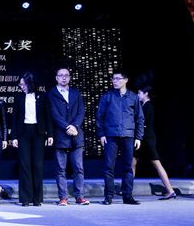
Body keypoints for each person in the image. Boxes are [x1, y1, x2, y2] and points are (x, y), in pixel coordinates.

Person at [96, 71, 144, 205]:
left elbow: (139, 118)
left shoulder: (133, 97)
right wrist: (101, 134)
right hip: (110, 136)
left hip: (128, 136)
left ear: (126, 80)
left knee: (128, 167)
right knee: (108, 167)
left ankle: (127, 196)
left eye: (118, 79)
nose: (115, 81)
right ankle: (108, 197)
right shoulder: (107, 96)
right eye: (113, 79)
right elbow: (99, 117)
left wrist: (138, 137)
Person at [48, 67, 89, 206]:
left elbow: (81, 112)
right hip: (60, 134)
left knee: (78, 168)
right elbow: (54, 114)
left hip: (76, 134)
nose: (64, 77)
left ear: (70, 77)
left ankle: (80, 196)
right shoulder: (51, 94)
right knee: (60, 169)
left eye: (66, 75)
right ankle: (63, 197)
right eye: (61, 75)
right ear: (56, 78)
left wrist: (75, 126)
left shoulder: (76, 93)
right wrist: (67, 126)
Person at [11, 72, 53, 206]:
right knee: (25, 165)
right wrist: (14, 137)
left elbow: (48, 116)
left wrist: (50, 134)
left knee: (37, 165)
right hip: (23, 132)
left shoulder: (42, 96)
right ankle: (25, 198)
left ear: (30, 84)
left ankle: (37, 199)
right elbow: (14, 118)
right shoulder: (18, 97)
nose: (21, 86)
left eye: (24, 84)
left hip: (38, 132)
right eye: (20, 84)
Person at [131, 85, 175, 200]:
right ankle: (127, 189)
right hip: (143, 139)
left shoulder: (148, 106)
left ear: (146, 94)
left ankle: (170, 190)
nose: (137, 95)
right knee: (132, 162)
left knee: (156, 163)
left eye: (139, 93)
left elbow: (143, 124)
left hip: (146, 140)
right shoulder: (144, 106)